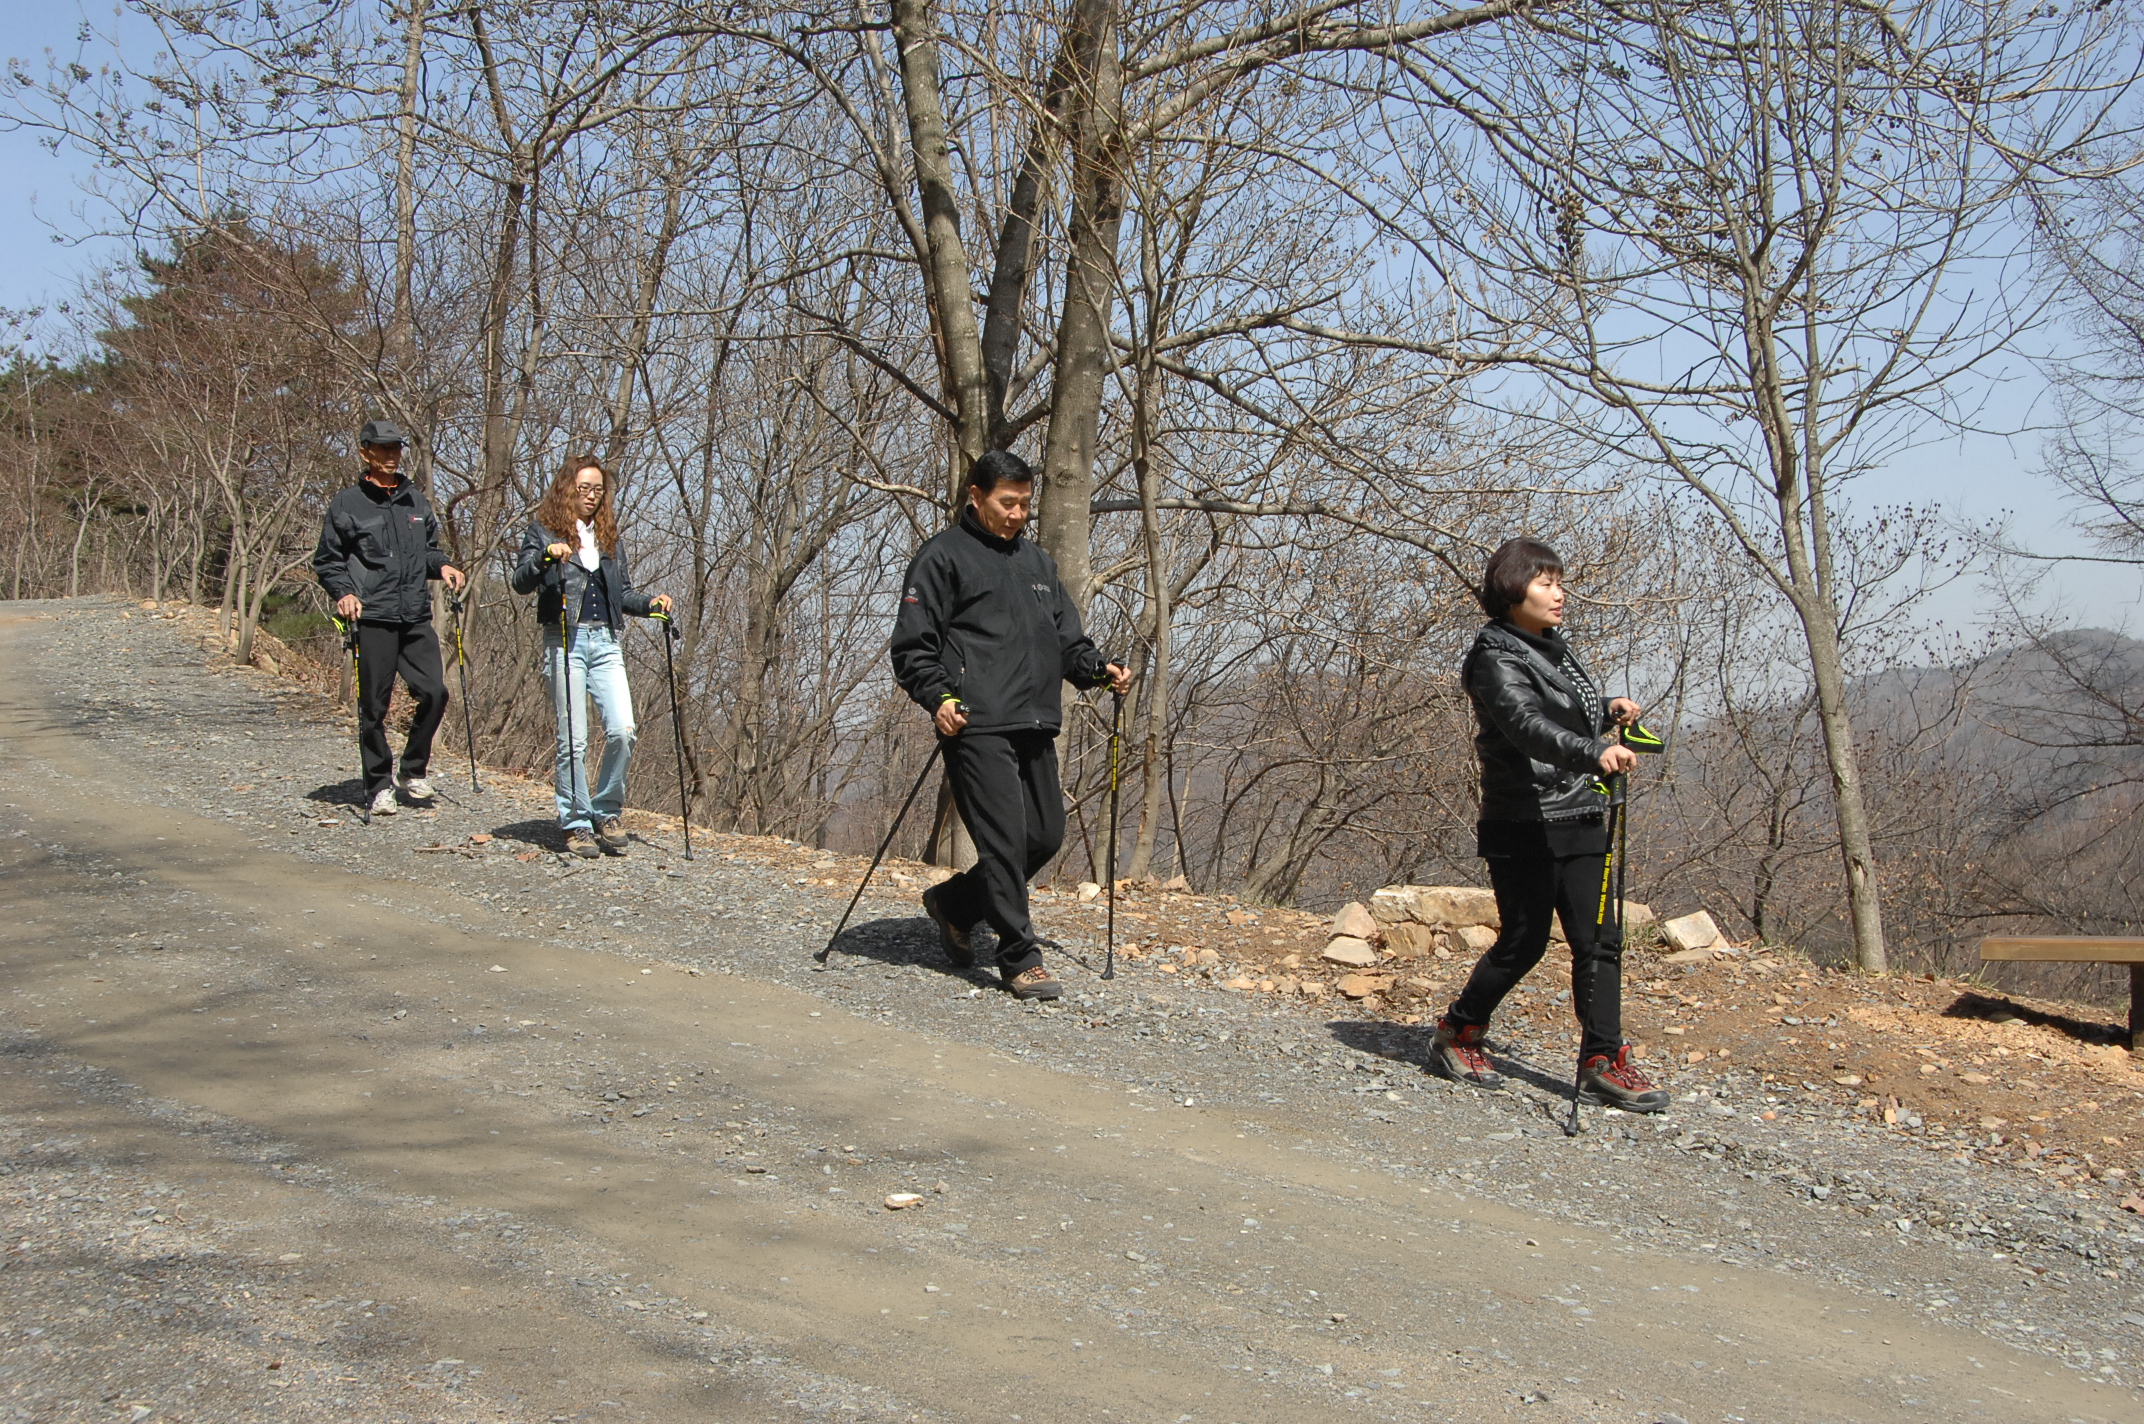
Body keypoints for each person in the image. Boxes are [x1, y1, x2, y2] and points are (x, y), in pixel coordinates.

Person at [1428, 537, 1668, 1113]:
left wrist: (1606, 707)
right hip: (1524, 819)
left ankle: (1602, 1060)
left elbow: (1557, 707)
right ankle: (1459, 1030)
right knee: (1523, 943)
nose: (1560, 593)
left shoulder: (1550, 646)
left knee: (1601, 942)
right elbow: (1525, 726)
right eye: (1546, 583)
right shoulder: (1492, 656)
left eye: (1560, 582)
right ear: (1513, 591)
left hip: (1582, 809)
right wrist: (1594, 752)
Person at [890, 449, 1132, 1000]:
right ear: (976, 495)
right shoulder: (942, 558)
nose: (1018, 513)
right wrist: (939, 698)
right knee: (1002, 843)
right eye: (1008, 502)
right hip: (974, 721)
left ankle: (954, 904)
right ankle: (1019, 955)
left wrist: (1100, 670)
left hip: (1035, 720)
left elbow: (1068, 641)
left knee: (1043, 837)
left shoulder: (1037, 564)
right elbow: (912, 647)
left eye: (1025, 504)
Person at [510, 456, 672, 859]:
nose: (592, 496)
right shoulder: (542, 531)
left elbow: (623, 594)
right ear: (567, 489)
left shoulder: (608, 538)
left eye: (598, 489)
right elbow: (521, 581)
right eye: (584, 488)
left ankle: (606, 809)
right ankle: (576, 821)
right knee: (573, 739)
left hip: (605, 643)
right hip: (564, 640)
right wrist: (547, 555)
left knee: (622, 729)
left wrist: (651, 603)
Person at [312, 418, 466, 818]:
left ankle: (412, 770)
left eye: (396, 449)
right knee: (373, 709)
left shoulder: (416, 500)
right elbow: (328, 561)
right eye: (383, 449)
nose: (391, 456)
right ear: (365, 452)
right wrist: (344, 593)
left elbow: (428, 552)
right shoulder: (347, 503)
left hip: (415, 615)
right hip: (373, 616)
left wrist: (444, 566)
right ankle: (378, 785)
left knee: (435, 692)